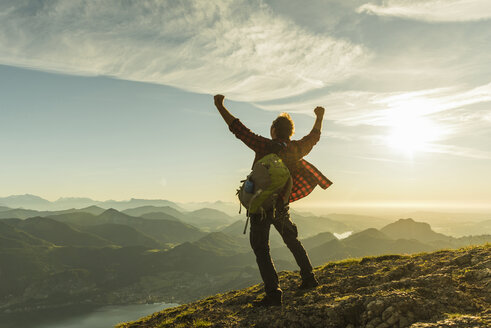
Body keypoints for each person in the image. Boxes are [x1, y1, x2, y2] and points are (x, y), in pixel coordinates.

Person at [213, 94, 332, 306]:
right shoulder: (296, 149)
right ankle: (309, 278)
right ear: (291, 132)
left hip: (260, 206)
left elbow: (238, 129)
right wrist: (319, 116)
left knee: (261, 248)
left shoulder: (264, 145)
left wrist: (219, 105)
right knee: (292, 240)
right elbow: (314, 136)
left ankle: (273, 294)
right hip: (281, 206)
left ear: (274, 130)